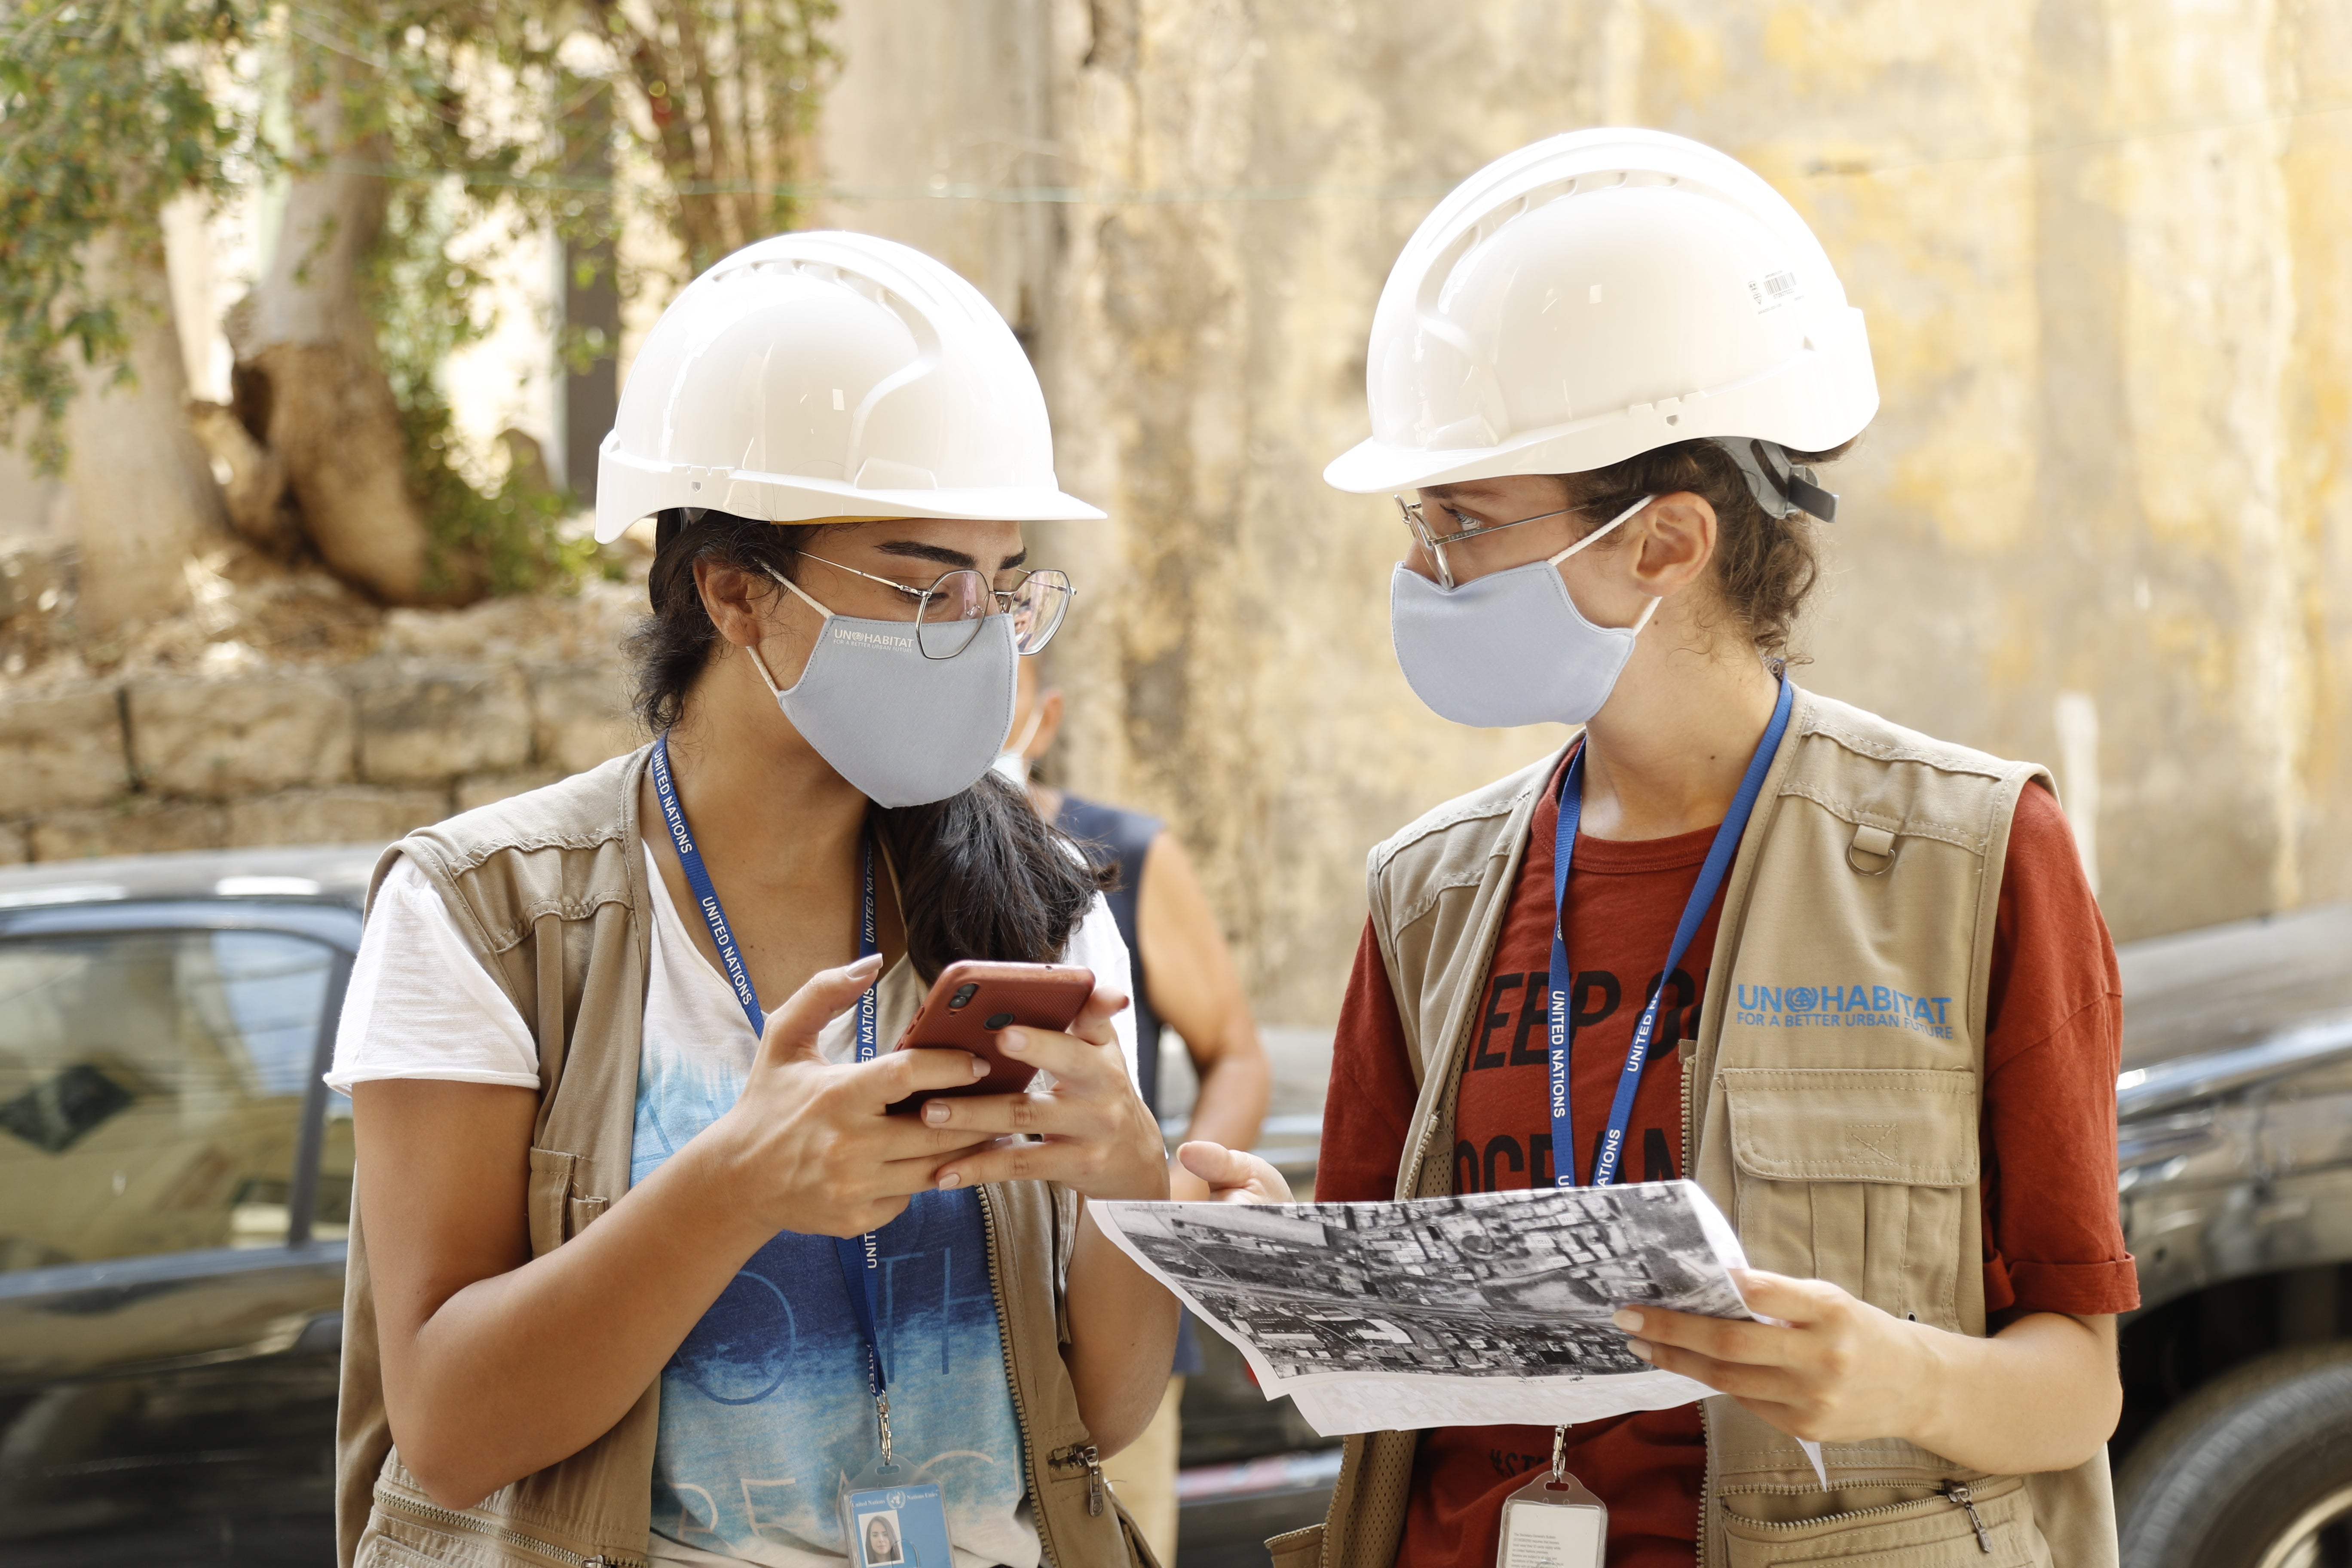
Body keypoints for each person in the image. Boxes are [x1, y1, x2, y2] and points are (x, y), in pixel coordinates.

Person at [1213, 129, 2138, 1568]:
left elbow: (2079, 1383)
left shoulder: (1972, 853)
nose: (1419, 570)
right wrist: (1285, 1260)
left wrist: (1903, 1375)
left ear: (1663, 543)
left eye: (1461, 520)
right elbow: (1381, 1392)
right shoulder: (1429, 890)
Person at [324, 232, 1240, 1568]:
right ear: (736, 591)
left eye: (1002, 586)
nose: (976, 634)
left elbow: (1091, 1423)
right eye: (925, 584)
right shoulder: (483, 914)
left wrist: (1132, 1189)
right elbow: (452, 1432)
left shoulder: (1035, 910)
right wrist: (733, 1189)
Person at [995, 656, 1274, 1560]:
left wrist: (1174, 1191)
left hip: (1120, 1314)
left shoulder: (1123, 854)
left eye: (1001, 675)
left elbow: (1234, 1051)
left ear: (1046, 715)